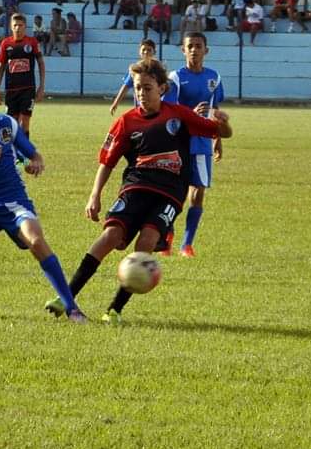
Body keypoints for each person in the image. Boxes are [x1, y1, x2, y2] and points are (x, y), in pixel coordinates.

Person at [43, 58, 232, 324]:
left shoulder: (179, 115)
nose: (142, 93)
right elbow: (107, 161)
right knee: (110, 236)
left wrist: (223, 122)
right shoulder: (126, 122)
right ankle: (66, 297)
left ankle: (114, 310)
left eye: (147, 87)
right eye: (137, 88)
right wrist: (94, 195)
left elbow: (222, 132)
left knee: (147, 240)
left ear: (162, 88)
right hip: (136, 185)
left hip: (169, 192)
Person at [0, 79, 86, 322]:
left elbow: (33, 153)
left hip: (15, 203)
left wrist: (36, 163)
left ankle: (72, 308)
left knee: (36, 240)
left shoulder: (6, 124)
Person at [162, 33, 226, 258]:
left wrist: (217, 138)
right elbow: (168, 111)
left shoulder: (214, 78)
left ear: (206, 50)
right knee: (175, 191)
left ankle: (186, 245)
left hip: (202, 141)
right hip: (179, 139)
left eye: (198, 46)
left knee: (198, 191)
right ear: (183, 50)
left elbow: (215, 108)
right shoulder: (175, 78)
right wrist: (190, 114)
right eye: (190, 46)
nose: (194, 50)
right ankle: (167, 234)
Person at [0, 13, 45, 148]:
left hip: (28, 88)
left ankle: (24, 152)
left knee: (25, 120)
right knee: (11, 122)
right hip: (11, 89)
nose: (18, 28)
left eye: (20, 25)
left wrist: (41, 86)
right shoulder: (6, 43)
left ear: (25, 26)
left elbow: (41, 63)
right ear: (11, 27)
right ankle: (11, 150)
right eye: (15, 25)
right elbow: (1, 65)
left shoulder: (32, 42)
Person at [110, 38, 156, 115]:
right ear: (139, 52)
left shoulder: (158, 69)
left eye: (149, 50)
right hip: (140, 108)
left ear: (154, 52)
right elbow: (126, 86)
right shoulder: (136, 69)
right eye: (143, 49)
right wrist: (115, 103)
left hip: (155, 108)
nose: (146, 52)